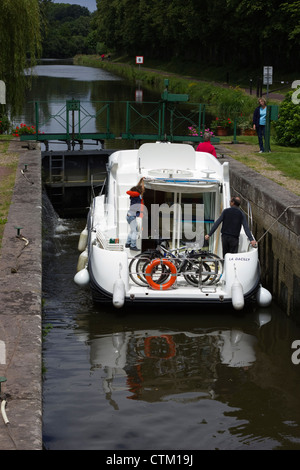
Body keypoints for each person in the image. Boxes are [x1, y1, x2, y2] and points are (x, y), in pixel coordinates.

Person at [125, 177, 145, 251]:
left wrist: (141, 181)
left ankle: (127, 243)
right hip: (131, 217)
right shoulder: (137, 195)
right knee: (135, 232)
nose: (143, 190)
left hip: (129, 216)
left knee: (132, 230)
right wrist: (142, 182)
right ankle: (132, 245)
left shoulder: (134, 196)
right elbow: (141, 189)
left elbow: (138, 188)